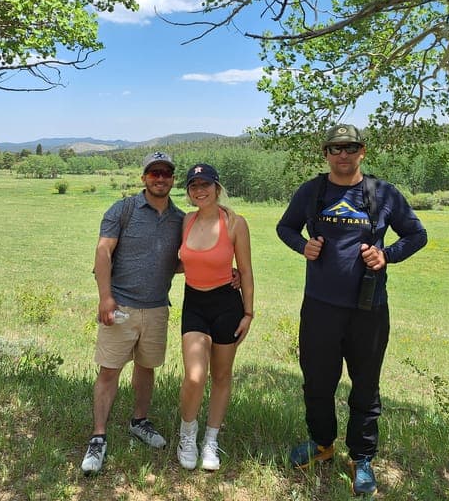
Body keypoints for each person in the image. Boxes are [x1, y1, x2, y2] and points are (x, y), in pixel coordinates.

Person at [276, 124, 427, 496]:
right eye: (335, 148)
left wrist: (386, 255)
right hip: (319, 308)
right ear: (325, 153)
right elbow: (286, 227)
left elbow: (416, 234)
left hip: (368, 309)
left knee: (366, 385)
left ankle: (362, 458)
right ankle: (323, 445)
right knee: (317, 382)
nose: (343, 154)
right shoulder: (313, 191)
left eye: (350, 147)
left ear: (362, 151)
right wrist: (303, 246)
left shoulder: (382, 193)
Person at [80, 151, 185, 475]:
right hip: (121, 306)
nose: (160, 178)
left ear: (172, 179)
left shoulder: (181, 219)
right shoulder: (123, 209)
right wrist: (105, 298)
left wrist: (224, 271)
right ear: (144, 178)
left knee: (146, 367)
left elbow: (184, 260)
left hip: (156, 308)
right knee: (109, 371)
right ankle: (98, 437)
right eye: (154, 173)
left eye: (166, 173)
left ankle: (139, 421)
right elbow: (103, 251)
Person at [176, 163, 255, 471]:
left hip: (226, 305)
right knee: (195, 376)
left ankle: (211, 440)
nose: (200, 190)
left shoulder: (235, 223)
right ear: (189, 192)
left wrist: (249, 312)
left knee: (221, 376)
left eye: (205, 184)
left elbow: (245, 270)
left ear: (217, 187)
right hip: (194, 304)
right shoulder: (186, 221)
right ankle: (188, 433)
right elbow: (181, 262)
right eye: (194, 185)